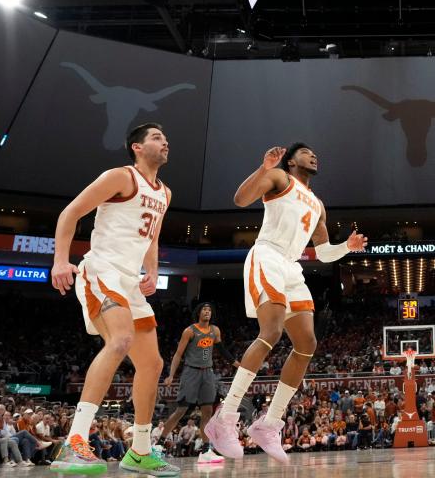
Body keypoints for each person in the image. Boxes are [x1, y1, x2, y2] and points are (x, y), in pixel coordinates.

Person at [206, 143, 367, 464]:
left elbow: (322, 253)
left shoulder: (319, 204)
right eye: (306, 152)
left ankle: (269, 423)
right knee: (271, 332)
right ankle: (224, 419)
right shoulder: (279, 178)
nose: (314, 155)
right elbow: (240, 199)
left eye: (315, 153)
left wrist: (346, 246)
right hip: (267, 255)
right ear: (292, 160)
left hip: (292, 266)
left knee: (307, 343)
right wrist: (263, 168)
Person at [49, 122, 179, 476]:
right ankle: (74, 441)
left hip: (130, 282)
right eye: (156, 137)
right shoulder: (120, 177)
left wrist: (152, 271)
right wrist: (61, 260)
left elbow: (151, 238)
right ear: (136, 147)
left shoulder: (165, 193)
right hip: (102, 269)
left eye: (165, 138)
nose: (164, 141)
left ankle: (139, 450)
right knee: (120, 339)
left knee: (152, 364)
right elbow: (70, 213)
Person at [160, 302, 235, 464]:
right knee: (181, 410)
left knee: (207, 411)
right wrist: (171, 375)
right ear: (198, 313)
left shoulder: (215, 331)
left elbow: (221, 349)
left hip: (208, 373)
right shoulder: (190, 331)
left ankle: (206, 451)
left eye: (209, 310)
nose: (207, 312)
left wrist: (236, 363)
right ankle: (159, 445)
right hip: (190, 372)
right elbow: (178, 354)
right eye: (204, 309)